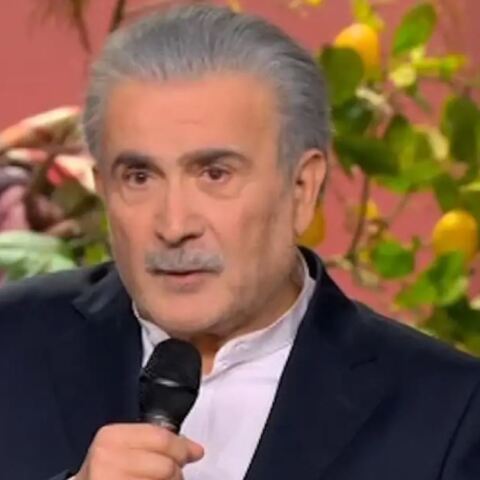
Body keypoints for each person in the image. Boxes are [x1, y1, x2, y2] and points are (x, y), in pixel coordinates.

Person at [1, 4, 480, 480]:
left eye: (215, 174)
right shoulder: (11, 343)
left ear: (302, 189)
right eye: (140, 177)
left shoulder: (451, 413)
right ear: (103, 188)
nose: (174, 225)